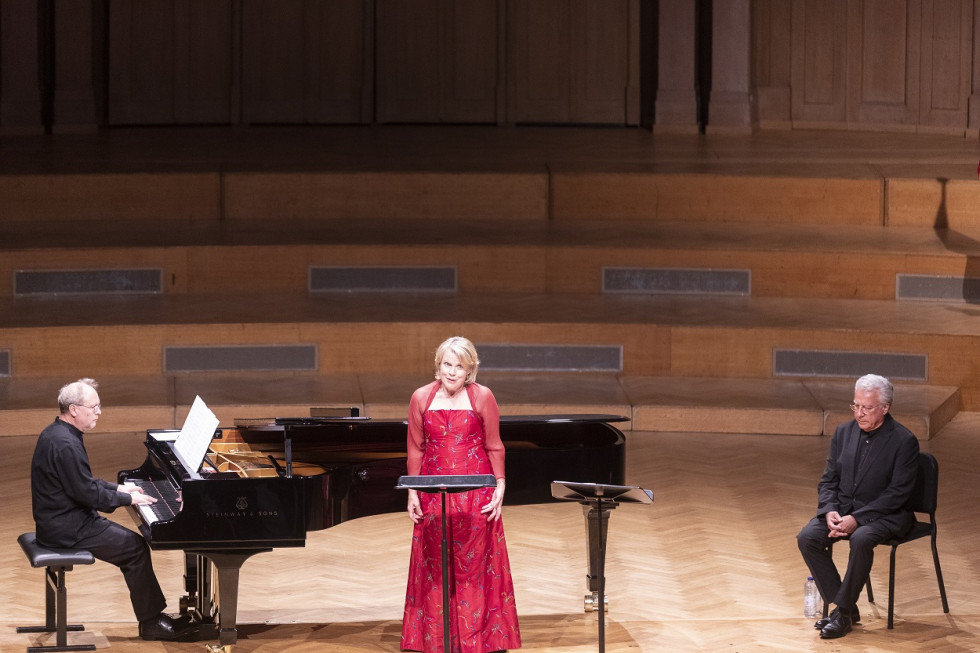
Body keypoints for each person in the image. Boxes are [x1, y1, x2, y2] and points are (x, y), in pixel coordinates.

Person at [30, 378, 193, 641]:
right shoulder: (66, 444)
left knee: (132, 546)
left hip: (59, 520)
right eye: (93, 407)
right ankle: (151, 623)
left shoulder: (57, 432)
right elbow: (85, 493)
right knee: (135, 548)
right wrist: (128, 500)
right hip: (67, 527)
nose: (99, 412)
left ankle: (152, 618)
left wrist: (119, 489)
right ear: (74, 409)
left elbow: (81, 482)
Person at [401, 337, 522, 653]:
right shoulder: (420, 398)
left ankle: (476, 640)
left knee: (473, 568)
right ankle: (437, 639)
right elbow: (416, 447)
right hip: (432, 493)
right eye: (446, 365)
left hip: (475, 494)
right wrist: (413, 491)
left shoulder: (483, 397)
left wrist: (500, 486)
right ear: (438, 365)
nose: (452, 372)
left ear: (470, 371)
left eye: (459, 367)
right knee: (436, 563)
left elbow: (494, 444)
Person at [797, 373, 920, 639]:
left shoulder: (903, 441)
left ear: (885, 408)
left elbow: (897, 495)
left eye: (867, 407)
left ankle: (840, 612)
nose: (859, 413)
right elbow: (829, 480)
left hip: (888, 515)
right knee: (807, 537)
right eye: (856, 406)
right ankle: (847, 608)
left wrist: (857, 518)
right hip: (844, 511)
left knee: (862, 538)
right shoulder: (843, 433)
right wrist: (829, 509)